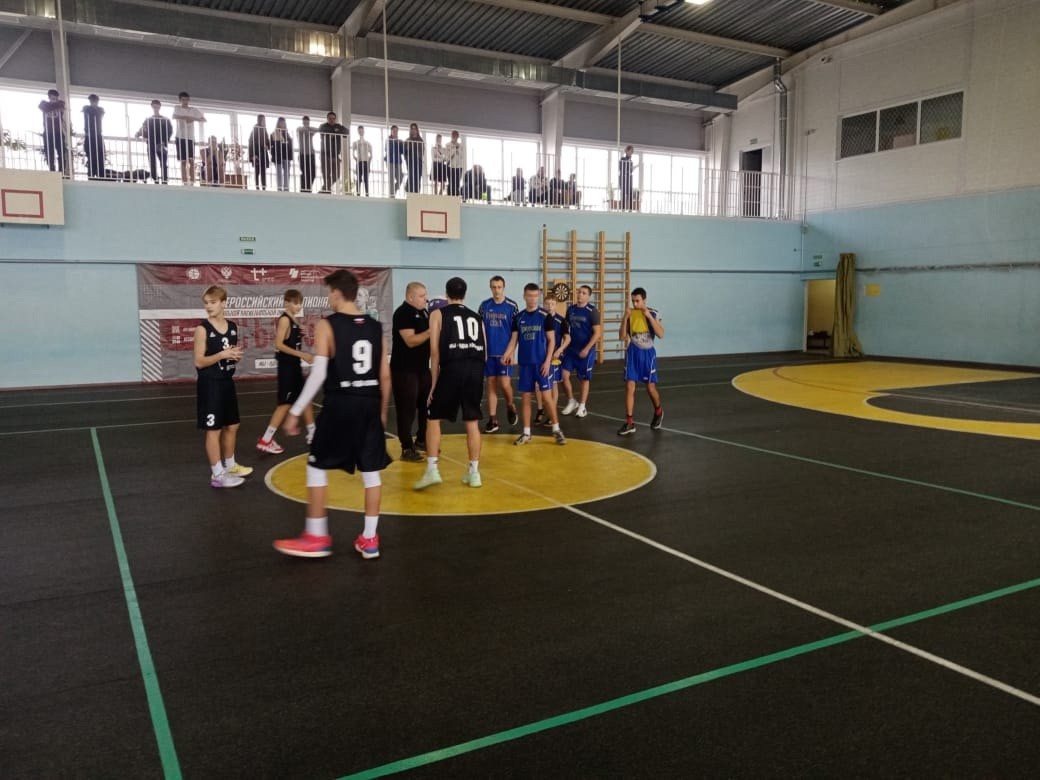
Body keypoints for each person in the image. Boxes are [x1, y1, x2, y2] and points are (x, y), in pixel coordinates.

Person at [273, 270, 392, 559]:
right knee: (371, 474)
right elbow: (385, 376)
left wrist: (296, 411)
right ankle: (370, 539)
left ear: (337, 293)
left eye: (329, 292)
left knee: (316, 465)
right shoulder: (376, 327)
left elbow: (318, 375)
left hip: (341, 403)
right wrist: (381, 413)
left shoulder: (328, 325)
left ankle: (316, 536)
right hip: (369, 403)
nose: (328, 297)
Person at [414, 277, 487, 490]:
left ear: (447, 295)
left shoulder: (438, 314)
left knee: (433, 417)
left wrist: (434, 384)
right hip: (475, 369)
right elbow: (485, 351)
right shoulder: (477, 317)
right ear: (465, 294)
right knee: (472, 420)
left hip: (453, 367)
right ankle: (474, 473)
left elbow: (434, 352)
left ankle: (432, 470)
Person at [194, 285, 253, 488]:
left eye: (213, 302)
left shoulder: (233, 327)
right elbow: (199, 362)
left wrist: (234, 356)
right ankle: (217, 475)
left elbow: (229, 354)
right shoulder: (202, 329)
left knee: (232, 425)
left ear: (223, 303)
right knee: (214, 430)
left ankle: (230, 465)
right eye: (206, 303)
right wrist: (221, 355)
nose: (208, 306)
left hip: (227, 382)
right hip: (210, 384)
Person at [502, 284, 565, 446]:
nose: (533, 299)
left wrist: (547, 361)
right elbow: (514, 340)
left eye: (536, 296)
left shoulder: (545, 316)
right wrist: (507, 353)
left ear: (538, 297)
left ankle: (556, 429)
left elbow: (552, 341)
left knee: (547, 397)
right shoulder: (518, 318)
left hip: (542, 364)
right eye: (530, 296)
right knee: (526, 398)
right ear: (524, 296)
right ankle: (526, 433)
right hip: (525, 365)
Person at [257, 289, 315, 454]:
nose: (298, 306)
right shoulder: (284, 320)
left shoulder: (294, 320)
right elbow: (278, 345)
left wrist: (299, 333)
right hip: (287, 368)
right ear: (286, 303)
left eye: (300, 303)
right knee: (284, 405)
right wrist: (302, 354)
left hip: (294, 366)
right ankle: (266, 440)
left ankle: (313, 433)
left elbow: (289, 341)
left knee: (306, 399)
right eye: (295, 303)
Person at [391, 282, 432, 463]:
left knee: (426, 406)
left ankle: (421, 440)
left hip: (422, 368)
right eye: (422, 296)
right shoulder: (403, 313)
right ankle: (406, 447)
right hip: (405, 370)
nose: (426, 299)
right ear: (410, 297)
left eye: (425, 295)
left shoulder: (424, 312)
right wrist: (431, 331)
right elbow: (410, 340)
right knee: (406, 409)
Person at [617, 287, 664, 435]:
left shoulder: (654, 313)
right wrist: (625, 318)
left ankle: (658, 411)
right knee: (629, 386)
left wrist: (648, 316)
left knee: (650, 388)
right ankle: (629, 422)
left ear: (644, 300)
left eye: (637, 301)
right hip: (633, 352)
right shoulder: (630, 314)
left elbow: (661, 334)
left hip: (647, 354)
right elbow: (622, 337)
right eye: (633, 301)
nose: (635, 304)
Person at [478, 276, 519, 433]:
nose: (496, 290)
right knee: (491, 383)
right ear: (490, 288)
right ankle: (493, 419)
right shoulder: (484, 306)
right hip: (489, 353)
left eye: (499, 287)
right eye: (494, 287)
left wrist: (511, 352)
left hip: (504, 353)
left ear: (504, 287)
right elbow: (479, 329)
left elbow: (515, 333)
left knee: (504, 384)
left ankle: (510, 404)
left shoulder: (512, 306)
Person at [560, 284, 602, 419]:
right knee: (563, 375)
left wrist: (587, 348)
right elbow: (566, 330)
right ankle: (572, 401)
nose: (580, 294)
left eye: (583, 293)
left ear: (588, 296)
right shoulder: (571, 309)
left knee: (584, 379)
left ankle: (582, 406)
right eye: (579, 292)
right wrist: (563, 346)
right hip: (571, 349)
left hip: (585, 350)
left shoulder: (592, 311)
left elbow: (597, 333)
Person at [535, 292, 570, 426]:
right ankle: (540, 410)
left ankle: (552, 413)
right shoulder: (539, 317)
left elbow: (568, 338)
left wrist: (560, 350)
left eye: (552, 304)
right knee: (537, 385)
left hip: (554, 357)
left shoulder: (561, 320)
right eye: (547, 304)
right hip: (540, 356)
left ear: (556, 305)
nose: (550, 306)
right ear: (543, 304)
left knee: (553, 384)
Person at [136, 100, 173, 184]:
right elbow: (143, 129)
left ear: (160, 107)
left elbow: (169, 131)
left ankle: (164, 180)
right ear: (152, 107)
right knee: (152, 163)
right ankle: (155, 179)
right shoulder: (148, 119)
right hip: (151, 143)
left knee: (163, 163)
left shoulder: (165, 120)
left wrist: (164, 141)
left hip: (161, 144)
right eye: (154, 106)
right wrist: (138, 134)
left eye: (157, 106)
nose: (156, 108)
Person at [172, 92, 205, 185]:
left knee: (191, 160)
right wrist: (185, 117)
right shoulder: (177, 108)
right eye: (183, 100)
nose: (185, 101)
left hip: (190, 137)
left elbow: (203, 119)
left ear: (189, 100)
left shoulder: (193, 110)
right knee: (183, 160)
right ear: (180, 100)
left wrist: (193, 119)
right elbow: (174, 116)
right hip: (180, 136)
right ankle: (184, 181)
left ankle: (192, 180)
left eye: (186, 100)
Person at [38, 89, 67, 175]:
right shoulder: (44, 104)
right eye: (53, 98)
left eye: (56, 98)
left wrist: (50, 107)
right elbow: (42, 106)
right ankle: (52, 171)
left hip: (58, 133)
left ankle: (61, 171)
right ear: (49, 97)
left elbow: (61, 105)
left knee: (61, 153)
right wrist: (55, 106)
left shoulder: (60, 103)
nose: (55, 100)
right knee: (49, 153)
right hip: (48, 133)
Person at [318, 111, 347, 193]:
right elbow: (322, 132)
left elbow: (346, 132)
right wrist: (335, 132)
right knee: (326, 174)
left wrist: (335, 132)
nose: (332, 120)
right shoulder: (323, 126)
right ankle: (326, 190)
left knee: (336, 175)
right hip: (325, 154)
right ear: (327, 119)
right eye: (330, 118)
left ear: (335, 119)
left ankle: (325, 188)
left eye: (333, 119)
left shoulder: (338, 126)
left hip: (335, 155)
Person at [82, 94, 106, 180]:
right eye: (92, 101)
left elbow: (100, 113)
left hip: (97, 135)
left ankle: (101, 176)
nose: (93, 103)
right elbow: (87, 110)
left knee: (100, 157)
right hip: (89, 135)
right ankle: (91, 176)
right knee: (91, 157)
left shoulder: (100, 110)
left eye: (95, 101)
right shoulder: (86, 108)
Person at [270, 117, 293, 192]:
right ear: (278, 123)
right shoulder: (274, 134)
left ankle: (286, 188)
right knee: (279, 173)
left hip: (286, 156)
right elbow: (272, 145)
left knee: (287, 173)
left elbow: (289, 144)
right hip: (278, 156)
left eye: (283, 123)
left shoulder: (287, 134)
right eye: (281, 123)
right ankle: (279, 188)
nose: (282, 124)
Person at [248, 114, 270, 191]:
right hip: (257, 153)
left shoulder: (264, 130)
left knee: (263, 171)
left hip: (263, 153)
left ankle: (264, 187)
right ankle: (257, 187)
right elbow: (251, 142)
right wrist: (253, 155)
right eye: (263, 120)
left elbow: (267, 141)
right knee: (257, 171)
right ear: (260, 120)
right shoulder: (255, 129)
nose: (264, 121)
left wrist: (267, 146)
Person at [297, 116, 318, 193]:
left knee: (313, 173)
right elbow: (303, 130)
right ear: (303, 122)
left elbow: (317, 129)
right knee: (305, 173)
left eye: (307, 122)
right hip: (302, 154)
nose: (306, 124)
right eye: (305, 122)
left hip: (311, 154)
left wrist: (309, 129)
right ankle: (303, 189)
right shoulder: (299, 129)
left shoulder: (310, 130)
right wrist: (309, 130)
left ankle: (308, 188)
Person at [403, 122, 425, 194]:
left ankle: (416, 193)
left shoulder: (420, 140)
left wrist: (419, 157)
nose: (413, 130)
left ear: (417, 130)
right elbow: (405, 152)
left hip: (418, 161)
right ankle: (409, 191)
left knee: (418, 177)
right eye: (412, 129)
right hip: (410, 161)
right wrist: (407, 159)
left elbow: (422, 151)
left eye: (415, 129)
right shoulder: (407, 140)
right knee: (411, 175)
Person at [352, 124, 372, 196]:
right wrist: (356, 158)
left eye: (362, 131)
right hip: (359, 162)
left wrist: (369, 162)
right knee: (359, 178)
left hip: (366, 162)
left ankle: (367, 193)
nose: (361, 132)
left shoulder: (367, 143)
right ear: (358, 132)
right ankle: (358, 193)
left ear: (364, 131)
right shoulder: (355, 143)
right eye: (359, 131)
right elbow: (353, 153)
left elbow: (371, 154)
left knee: (366, 179)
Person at [385, 124, 405, 196]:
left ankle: (394, 190)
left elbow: (402, 151)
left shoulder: (399, 141)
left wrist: (401, 143)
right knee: (391, 179)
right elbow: (388, 150)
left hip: (398, 161)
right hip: (390, 161)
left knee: (400, 178)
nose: (395, 132)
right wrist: (395, 142)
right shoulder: (388, 140)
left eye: (396, 131)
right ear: (391, 131)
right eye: (394, 131)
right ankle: (392, 195)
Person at [446, 129, 463, 197]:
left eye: (456, 136)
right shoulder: (448, 145)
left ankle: (456, 196)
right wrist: (454, 149)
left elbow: (462, 156)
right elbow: (448, 157)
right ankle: (450, 197)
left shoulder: (460, 145)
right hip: (450, 166)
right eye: (453, 136)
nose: (455, 138)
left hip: (459, 167)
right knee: (451, 183)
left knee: (457, 183)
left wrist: (458, 149)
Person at [619, 144, 635, 210]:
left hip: (629, 179)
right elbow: (622, 169)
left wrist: (631, 169)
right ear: (627, 151)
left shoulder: (630, 161)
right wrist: (629, 169)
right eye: (630, 151)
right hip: (623, 179)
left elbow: (630, 170)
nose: (631, 153)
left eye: (632, 152)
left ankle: (630, 209)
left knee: (630, 193)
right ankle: (622, 208)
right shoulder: (622, 159)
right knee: (623, 193)